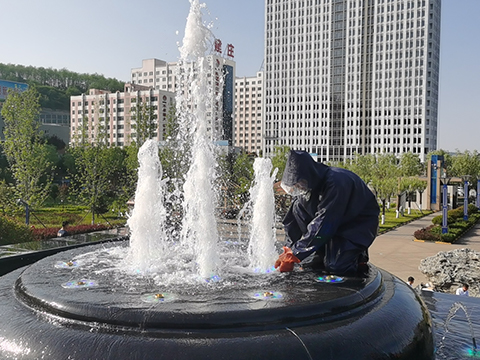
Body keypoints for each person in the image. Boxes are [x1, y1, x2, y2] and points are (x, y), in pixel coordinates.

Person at [275, 150, 380, 275]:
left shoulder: (336, 182)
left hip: (356, 224)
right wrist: (289, 250)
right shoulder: (308, 186)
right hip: (333, 221)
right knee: (298, 207)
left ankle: (358, 256)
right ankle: (322, 252)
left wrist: (296, 253)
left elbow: (325, 222)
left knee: (336, 266)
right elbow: (292, 221)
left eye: (299, 184)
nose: (298, 188)